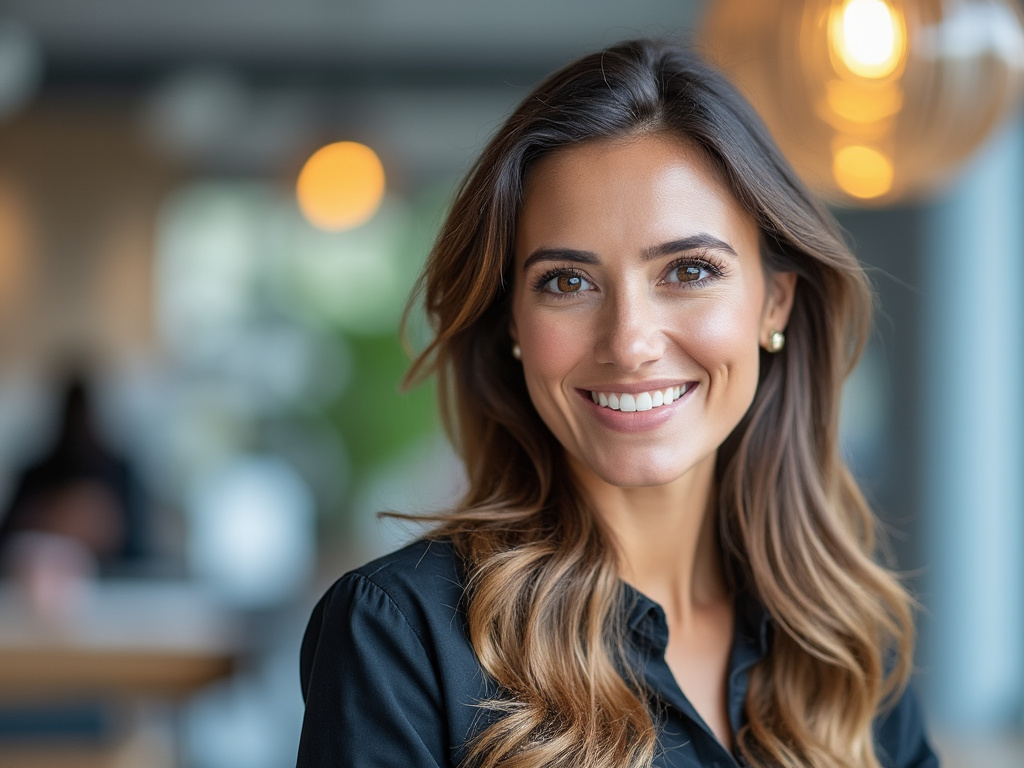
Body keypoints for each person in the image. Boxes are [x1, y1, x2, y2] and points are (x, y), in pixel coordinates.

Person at [296, 39, 939, 768]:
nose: (629, 342)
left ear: (775, 304)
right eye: (567, 282)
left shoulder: (844, 641)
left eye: (689, 270)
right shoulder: (401, 637)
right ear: (512, 323)